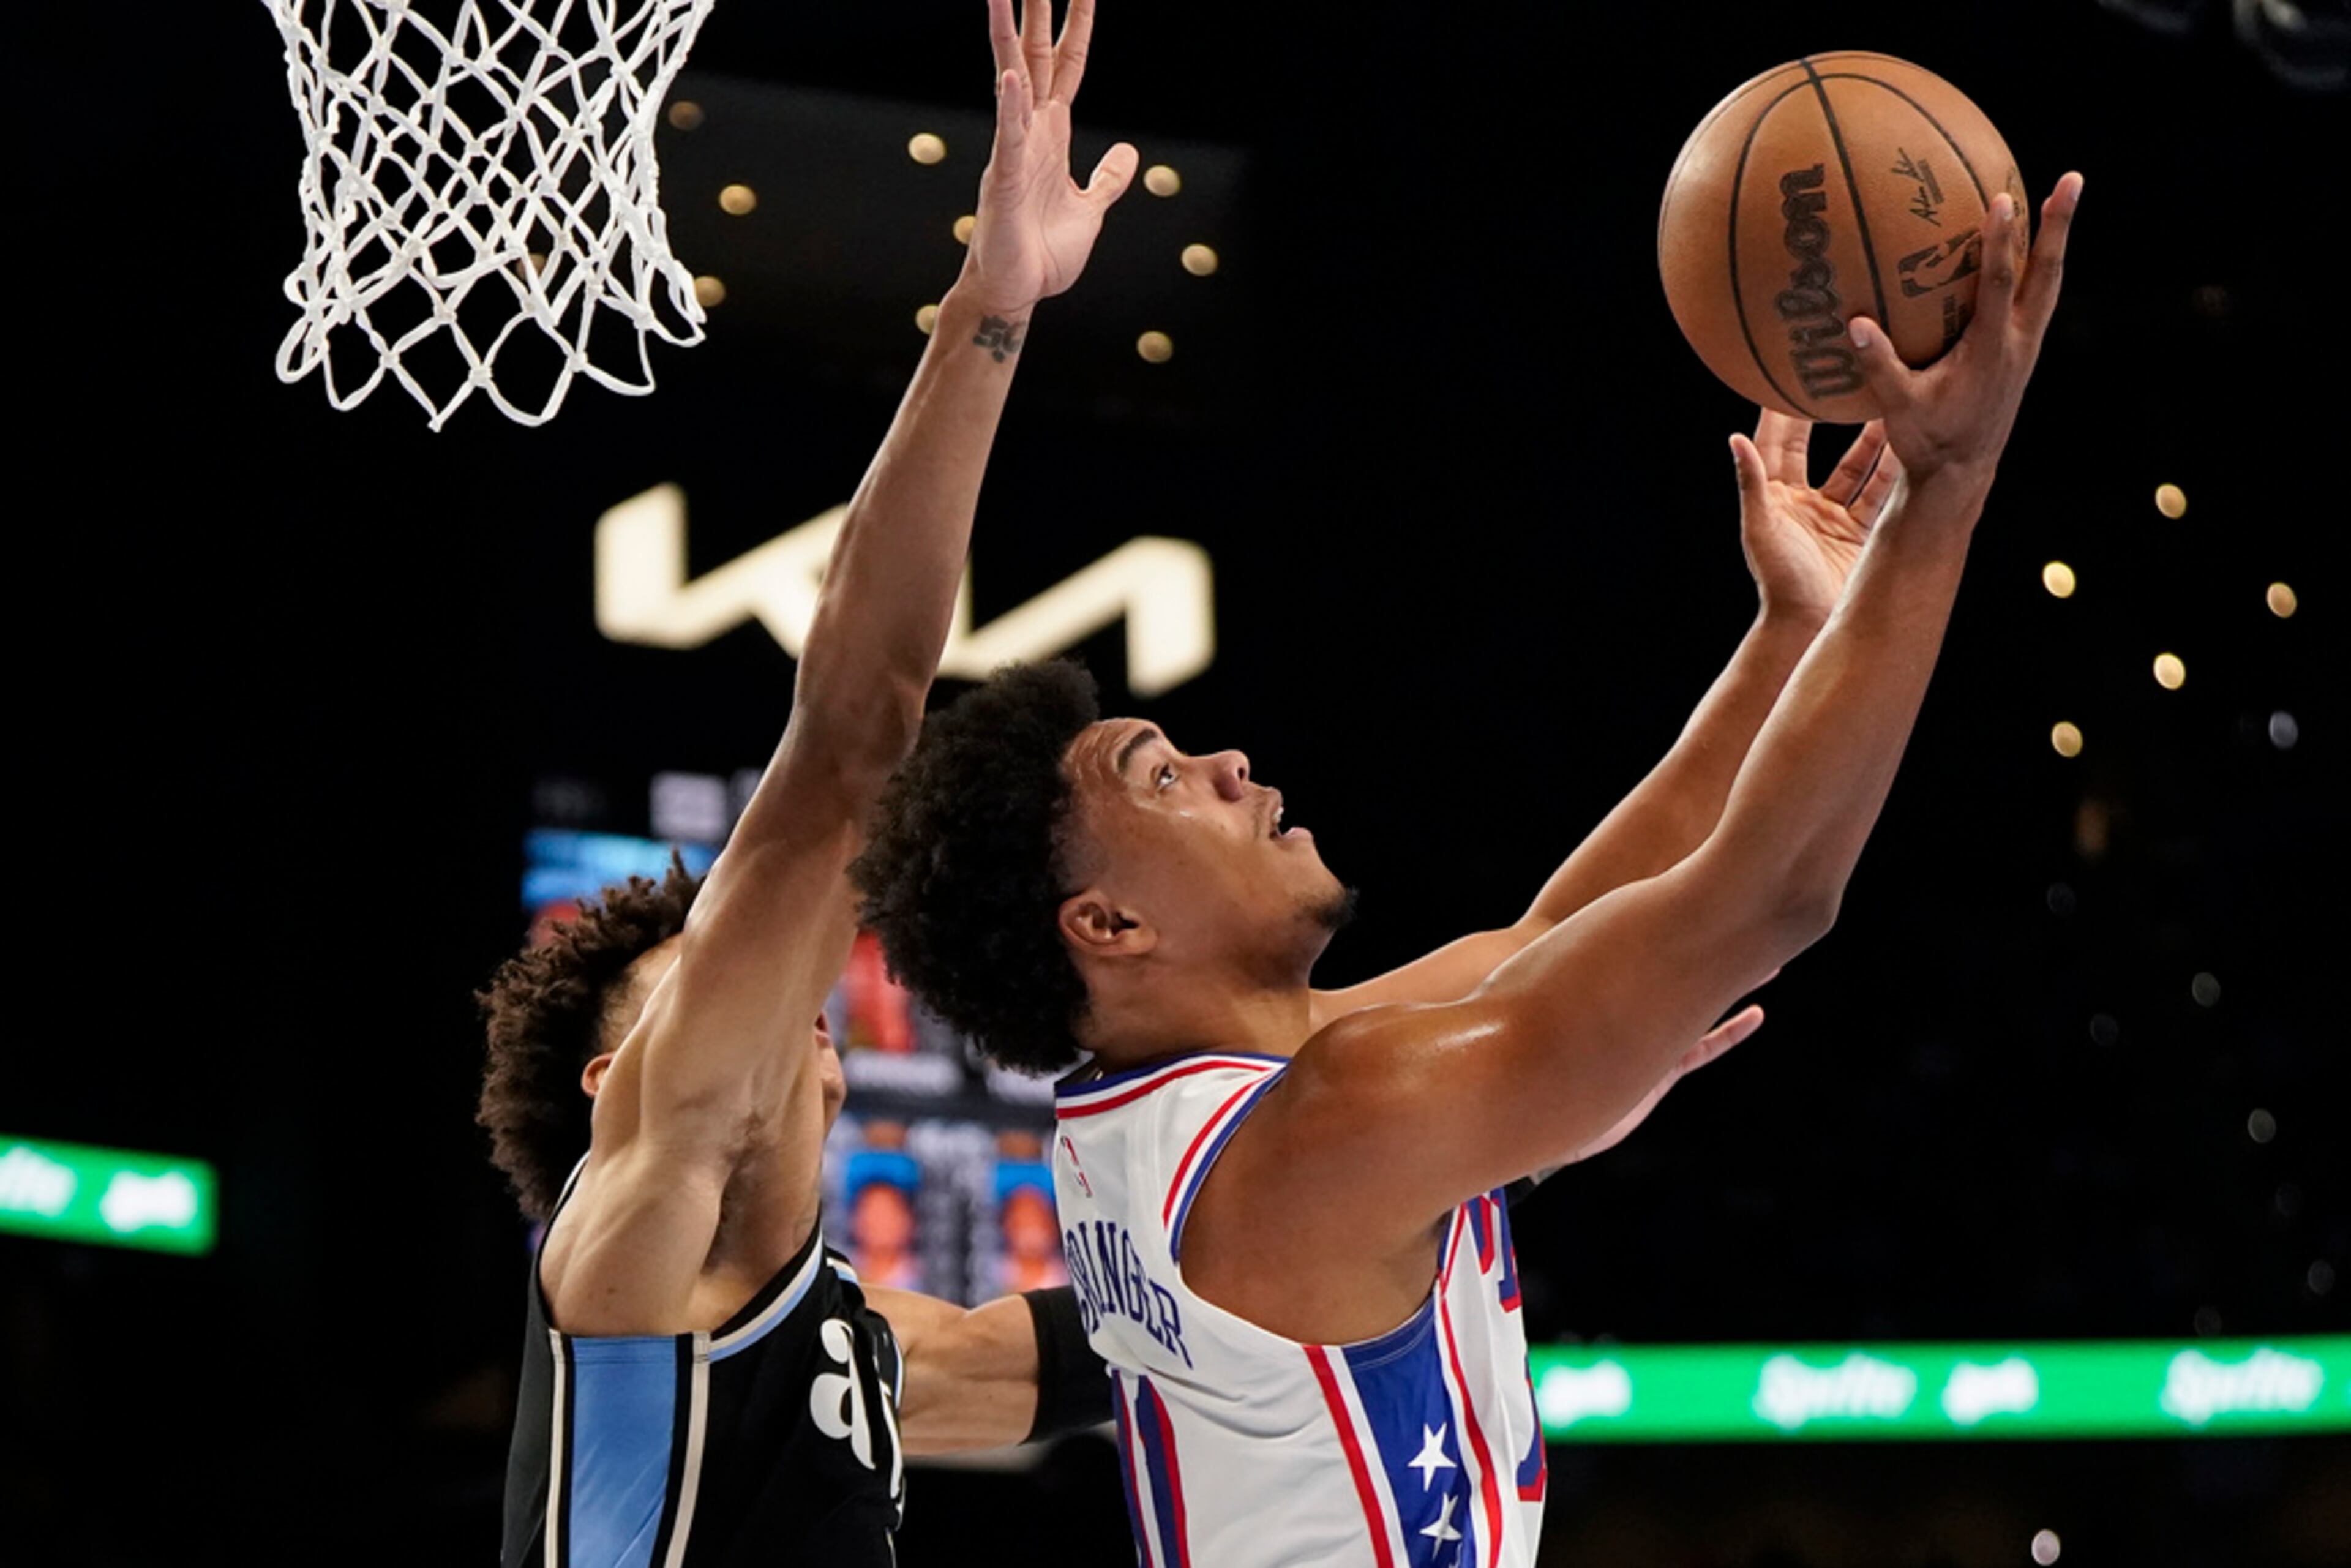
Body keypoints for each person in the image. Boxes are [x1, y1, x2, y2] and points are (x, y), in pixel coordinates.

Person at [852, 176, 2085, 1565]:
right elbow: (1771, 895)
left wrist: (1792, 640)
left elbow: (1558, 930)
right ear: (1112, 922)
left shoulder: (1168, 1100)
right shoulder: (1325, 1129)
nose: (1231, 767)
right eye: (1162, 777)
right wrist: (1950, 489)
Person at [474, 5, 1139, 1562]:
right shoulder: (639, 1226)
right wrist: (993, 311)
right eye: (697, 976)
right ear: (611, 1086)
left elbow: (1104, 1350)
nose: (770, 984)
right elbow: (856, 734)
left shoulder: (852, 1350)